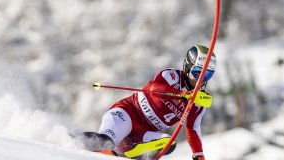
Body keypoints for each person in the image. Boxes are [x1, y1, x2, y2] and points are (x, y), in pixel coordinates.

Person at [82, 45, 217, 160]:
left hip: (143, 133)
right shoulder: (172, 76)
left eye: (208, 75)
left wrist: (198, 155)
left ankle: (124, 154)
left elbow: (192, 129)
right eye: (198, 72)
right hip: (127, 114)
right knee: (105, 142)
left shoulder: (198, 103)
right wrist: (183, 95)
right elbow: (155, 88)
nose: (201, 80)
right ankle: (73, 142)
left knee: (168, 143)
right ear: (188, 67)